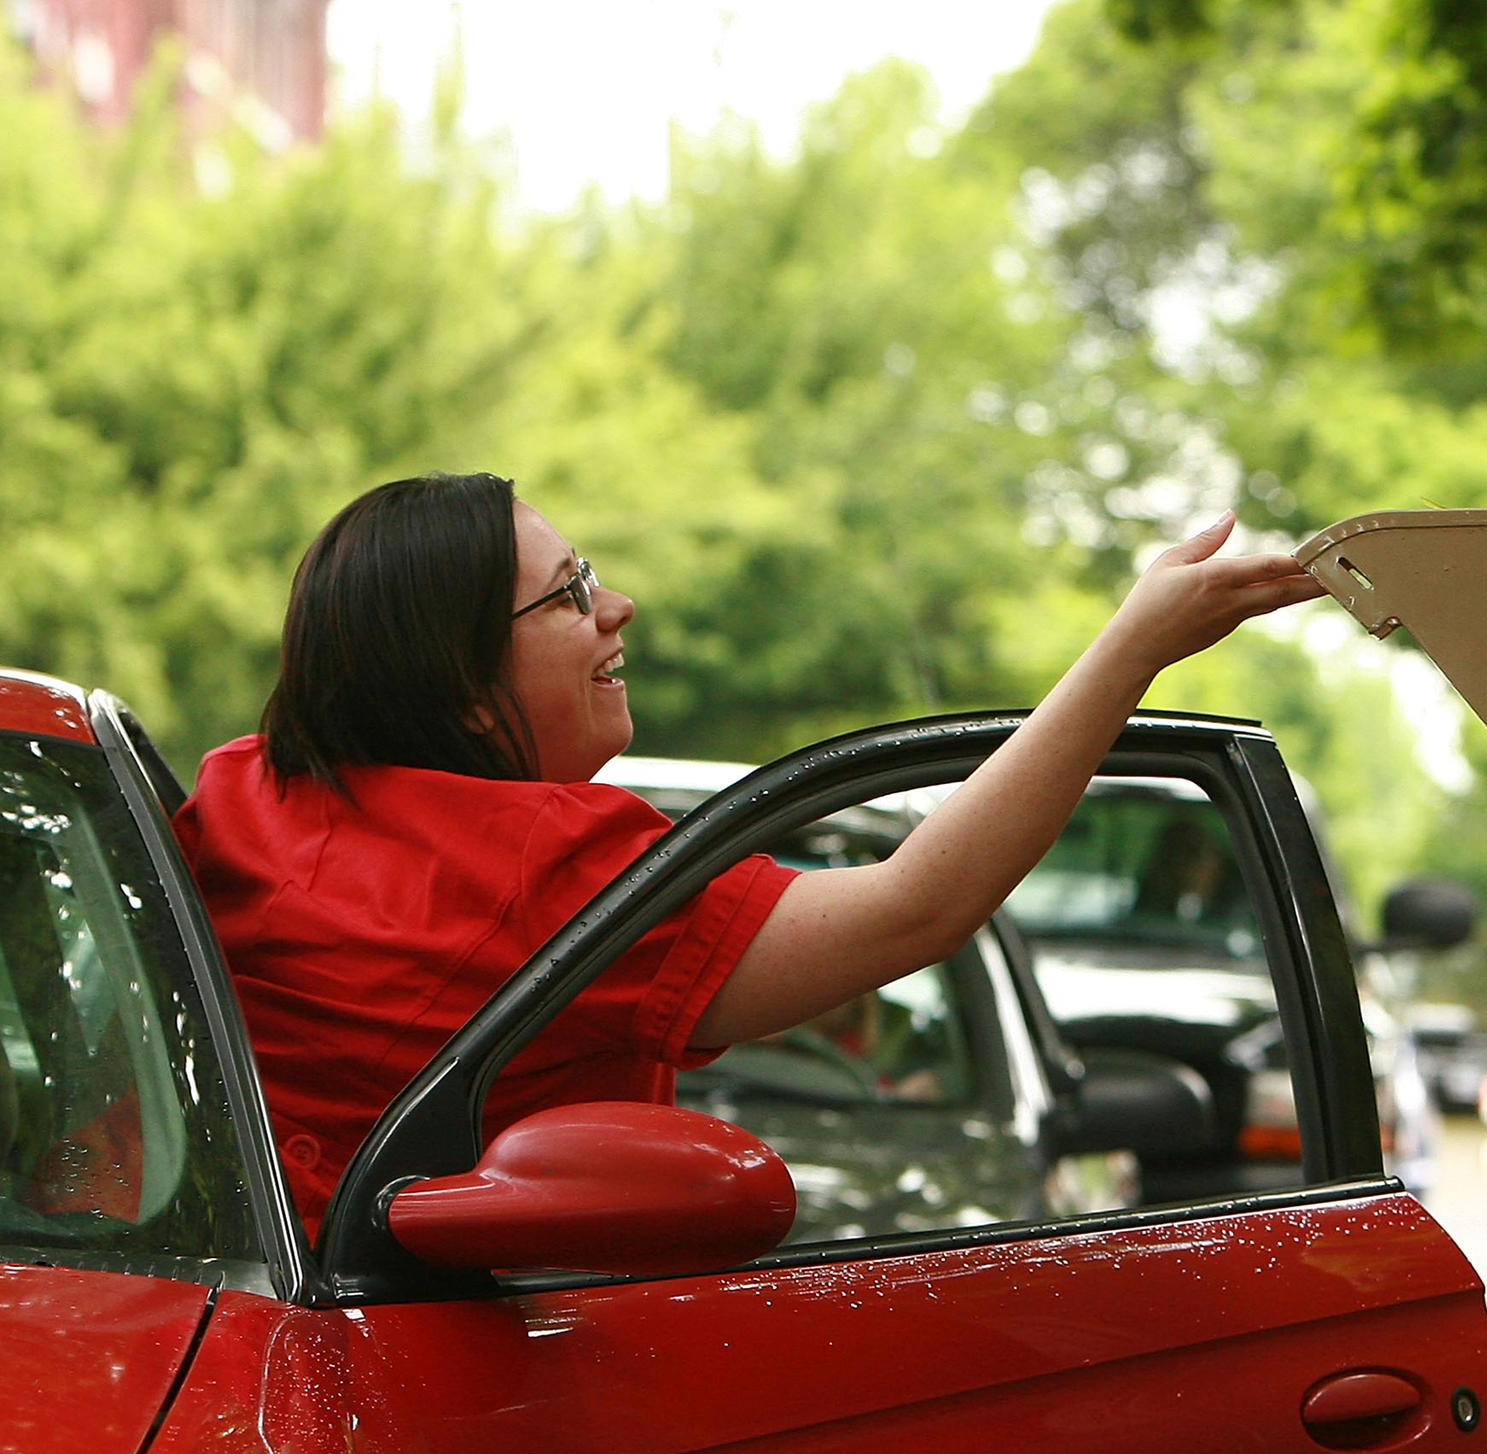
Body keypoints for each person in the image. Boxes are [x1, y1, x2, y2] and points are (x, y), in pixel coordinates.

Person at [176, 472, 1320, 1230]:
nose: (618, 605)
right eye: (569, 595)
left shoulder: (238, 792)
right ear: (468, 691)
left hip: (229, 1314)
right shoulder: (541, 870)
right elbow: (912, 907)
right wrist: (1134, 646)